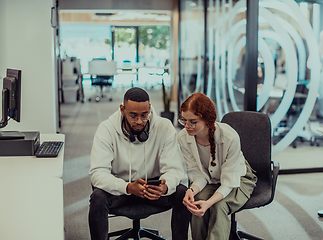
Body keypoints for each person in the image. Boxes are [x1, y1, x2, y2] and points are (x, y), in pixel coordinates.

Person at [88, 87, 190, 240]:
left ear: (149, 108)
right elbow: (97, 173)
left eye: (144, 115)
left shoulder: (164, 127)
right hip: (121, 189)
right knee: (98, 198)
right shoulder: (106, 129)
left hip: (153, 189)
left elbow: (175, 169)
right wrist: (128, 187)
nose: (139, 121)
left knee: (182, 192)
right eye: (133, 116)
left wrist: (165, 186)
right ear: (122, 110)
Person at [177, 92, 257, 240]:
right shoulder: (183, 137)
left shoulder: (229, 137)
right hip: (211, 180)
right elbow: (198, 174)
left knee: (219, 207)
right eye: (184, 120)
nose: (187, 126)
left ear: (208, 120)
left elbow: (228, 182)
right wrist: (191, 190)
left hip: (238, 178)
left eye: (193, 122)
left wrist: (209, 202)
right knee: (196, 203)